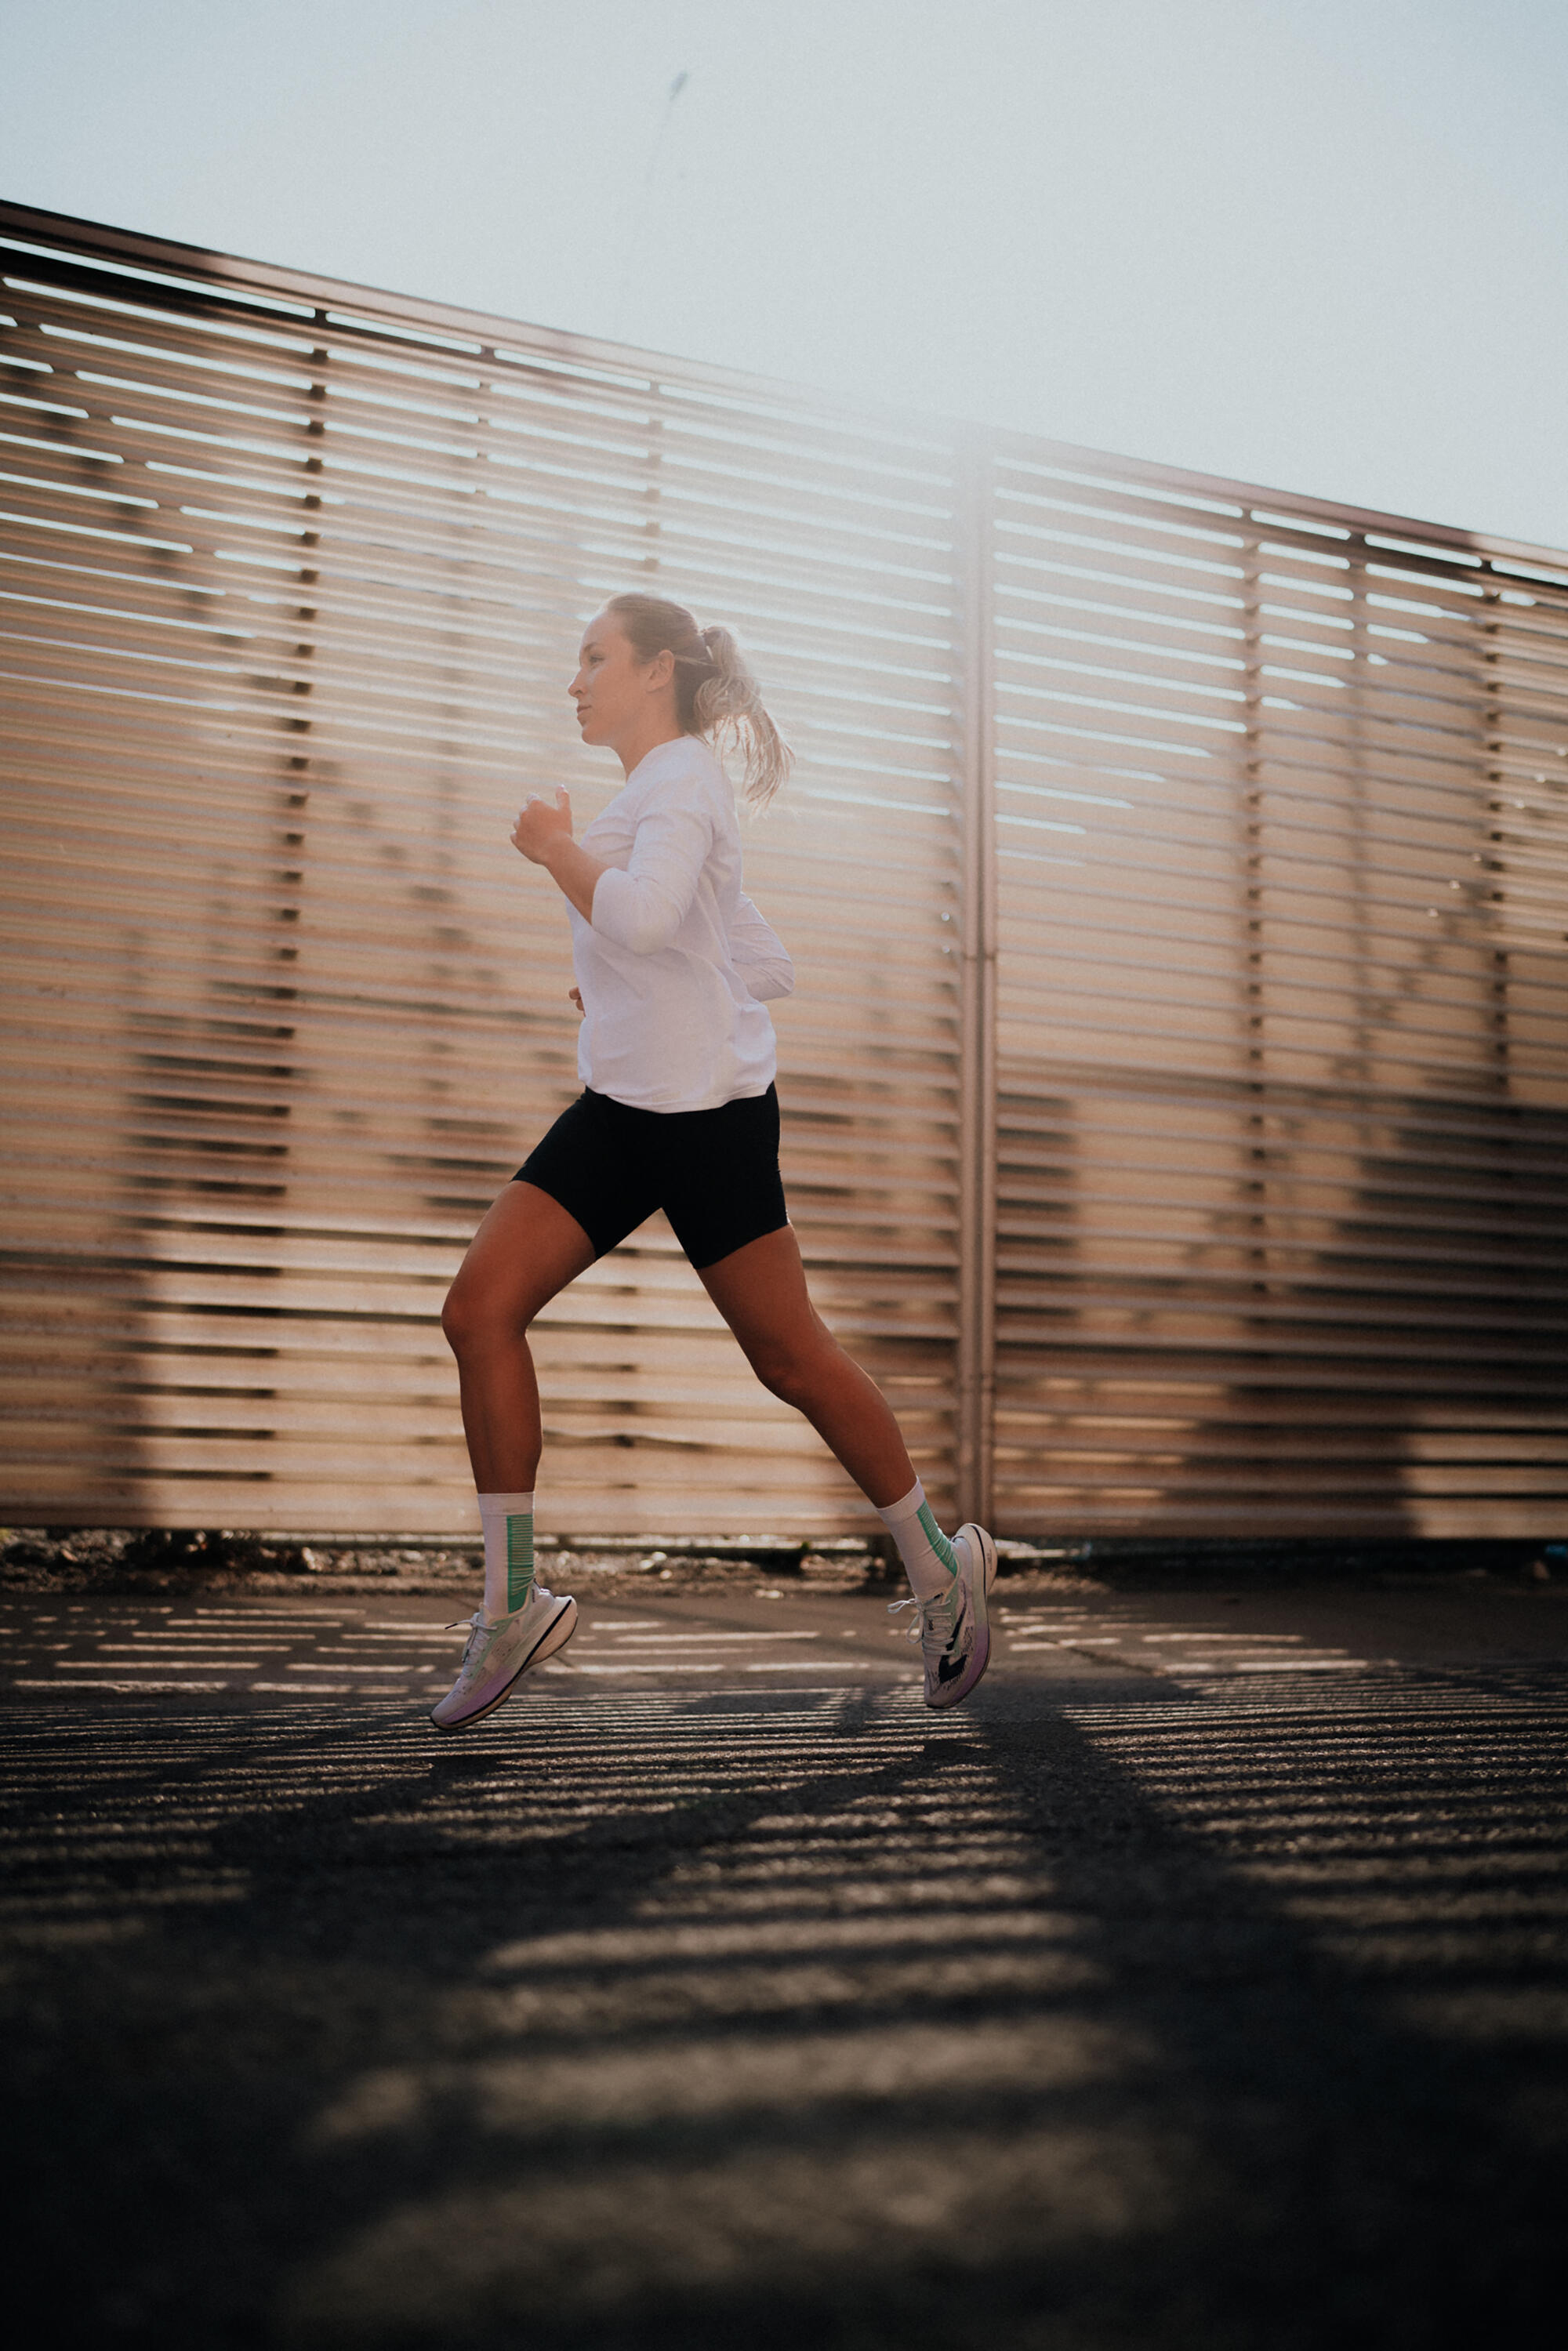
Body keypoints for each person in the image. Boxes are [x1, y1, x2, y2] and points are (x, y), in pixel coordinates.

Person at [431, 593, 996, 1729]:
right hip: (624, 1108)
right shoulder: (653, 790)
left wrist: (556, 856)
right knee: (479, 1309)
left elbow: (644, 917)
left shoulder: (683, 776)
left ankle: (941, 1568)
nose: (575, 680)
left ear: (656, 672)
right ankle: (512, 1602)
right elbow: (707, 934)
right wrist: (620, 977)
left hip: (706, 1123)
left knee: (791, 1359)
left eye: (594, 658)